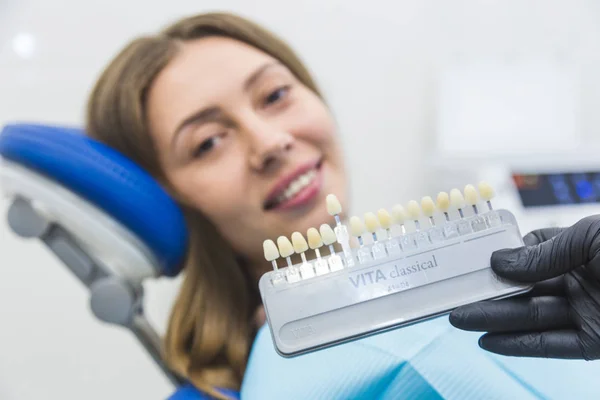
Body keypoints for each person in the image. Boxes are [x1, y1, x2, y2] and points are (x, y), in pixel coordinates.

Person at [84, 11, 600, 399]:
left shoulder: (530, 291)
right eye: (208, 143)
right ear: (162, 199)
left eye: (274, 95)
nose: (270, 142)